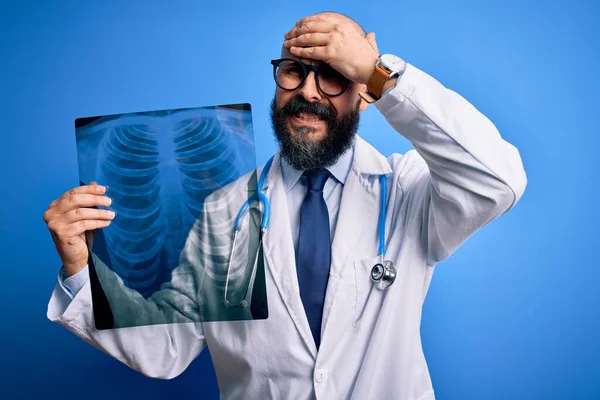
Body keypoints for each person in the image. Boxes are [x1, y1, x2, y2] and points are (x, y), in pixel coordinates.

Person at [43, 11, 527, 400]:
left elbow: (498, 180)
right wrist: (80, 268)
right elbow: (166, 350)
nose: (309, 92)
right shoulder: (223, 210)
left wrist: (381, 71)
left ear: (364, 94)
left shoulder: (406, 190)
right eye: (295, 71)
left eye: (335, 75)